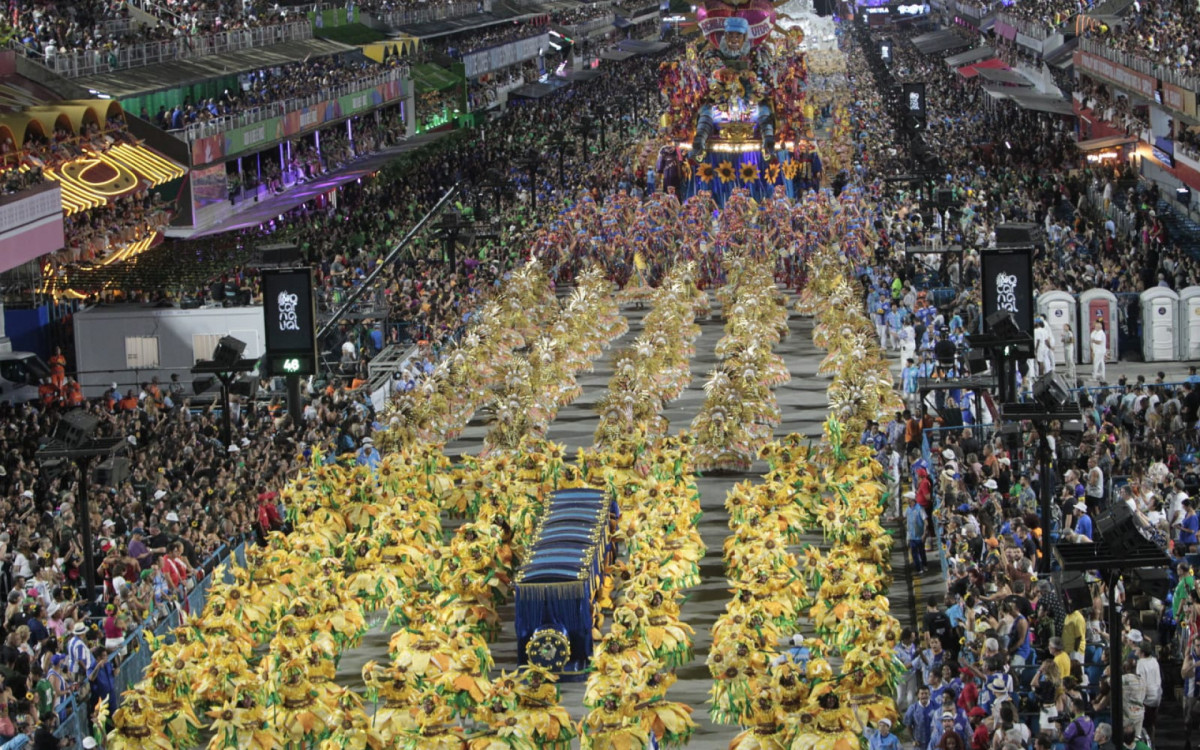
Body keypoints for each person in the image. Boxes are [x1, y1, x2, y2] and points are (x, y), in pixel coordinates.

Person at [907, 491, 928, 575]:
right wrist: (893, 519)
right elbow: (904, 517)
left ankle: (924, 565)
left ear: (911, 499)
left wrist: (924, 534)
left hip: (920, 536)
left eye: (907, 498)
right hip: (912, 536)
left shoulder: (920, 508)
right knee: (914, 553)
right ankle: (919, 569)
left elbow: (926, 522)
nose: (906, 499)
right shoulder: (908, 509)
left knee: (921, 552)